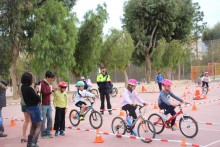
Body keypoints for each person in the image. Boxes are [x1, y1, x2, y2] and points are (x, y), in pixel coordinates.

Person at [21, 72, 42, 147]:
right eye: (32, 77)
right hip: (34, 108)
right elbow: (38, 99)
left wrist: (34, 90)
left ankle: (29, 143)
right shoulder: (30, 88)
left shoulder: (23, 87)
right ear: (28, 79)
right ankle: (34, 142)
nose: (33, 79)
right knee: (39, 125)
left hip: (28, 107)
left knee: (33, 124)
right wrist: (37, 91)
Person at [40, 71, 55, 138]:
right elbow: (44, 93)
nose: (52, 79)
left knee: (50, 118)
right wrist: (51, 91)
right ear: (47, 77)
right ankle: (43, 133)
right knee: (43, 119)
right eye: (51, 78)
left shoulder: (48, 83)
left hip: (48, 103)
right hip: (43, 104)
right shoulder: (42, 83)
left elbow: (47, 93)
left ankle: (48, 132)